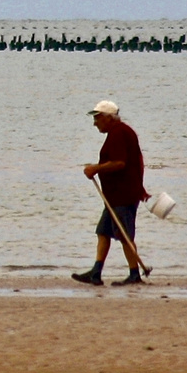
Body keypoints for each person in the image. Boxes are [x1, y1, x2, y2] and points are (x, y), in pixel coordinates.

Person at [73, 100, 151, 286]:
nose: (95, 123)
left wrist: (96, 169)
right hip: (115, 196)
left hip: (123, 195)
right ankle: (96, 272)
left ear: (109, 118)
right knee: (103, 231)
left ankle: (134, 274)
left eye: (98, 118)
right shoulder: (118, 132)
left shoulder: (120, 133)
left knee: (124, 235)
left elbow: (119, 163)